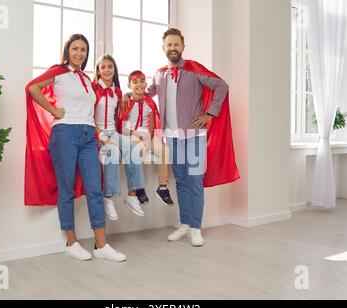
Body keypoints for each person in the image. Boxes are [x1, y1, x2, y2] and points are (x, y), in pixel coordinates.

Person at [124, 28, 240, 247]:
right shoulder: (160, 74)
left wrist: (209, 114)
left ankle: (196, 228)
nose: (173, 48)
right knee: (182, 182)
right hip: (172, 137)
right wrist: (128, 94)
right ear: (164, 48)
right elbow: (146, 94)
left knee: (195, 180)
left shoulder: (194, 70)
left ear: (183, 47)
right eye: (169, 45)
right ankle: (184, 224)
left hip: (194, 135)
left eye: (176, 44)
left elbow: (221, 86)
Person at [25, 34, 126, 262]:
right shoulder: (58, 72)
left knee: (95, 189)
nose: (79, 53)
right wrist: (53, 109)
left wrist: (100, 134)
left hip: (89, 135)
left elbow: (91, 111)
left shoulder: (87, 81)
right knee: (67, 189)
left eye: (83, 49)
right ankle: (71, 242)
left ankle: (102, 246)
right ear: (67, 51)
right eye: (75, 49)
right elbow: (32, 87)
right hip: (65, 134)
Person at [92, 55, 146, 219]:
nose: (107, 70)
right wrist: (101, 135)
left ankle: (132, 195)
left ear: (114, 70)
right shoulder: (93, 89)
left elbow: (136, 96)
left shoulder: (117, 91)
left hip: (114, 132)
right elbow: (88, 115)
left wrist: (126, 95)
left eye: (110, 66)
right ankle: (107, 199)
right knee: (113, 153)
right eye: (103, 67)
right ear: (98, 70)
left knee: (133, 148)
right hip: (97, 133)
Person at [119, 70, 175, 207]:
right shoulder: (126, 102)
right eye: (135, 82)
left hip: (147, 136)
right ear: (129, 85)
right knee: (137, 150)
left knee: (164, 150)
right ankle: (139, 187)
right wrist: (138, 135)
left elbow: (151, 124)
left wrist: (149, 137)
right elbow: (122, 129)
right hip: (131, 136)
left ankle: (162, 188)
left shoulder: (149, 103)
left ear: (145, 83)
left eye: (142, 81)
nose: (139, 84)